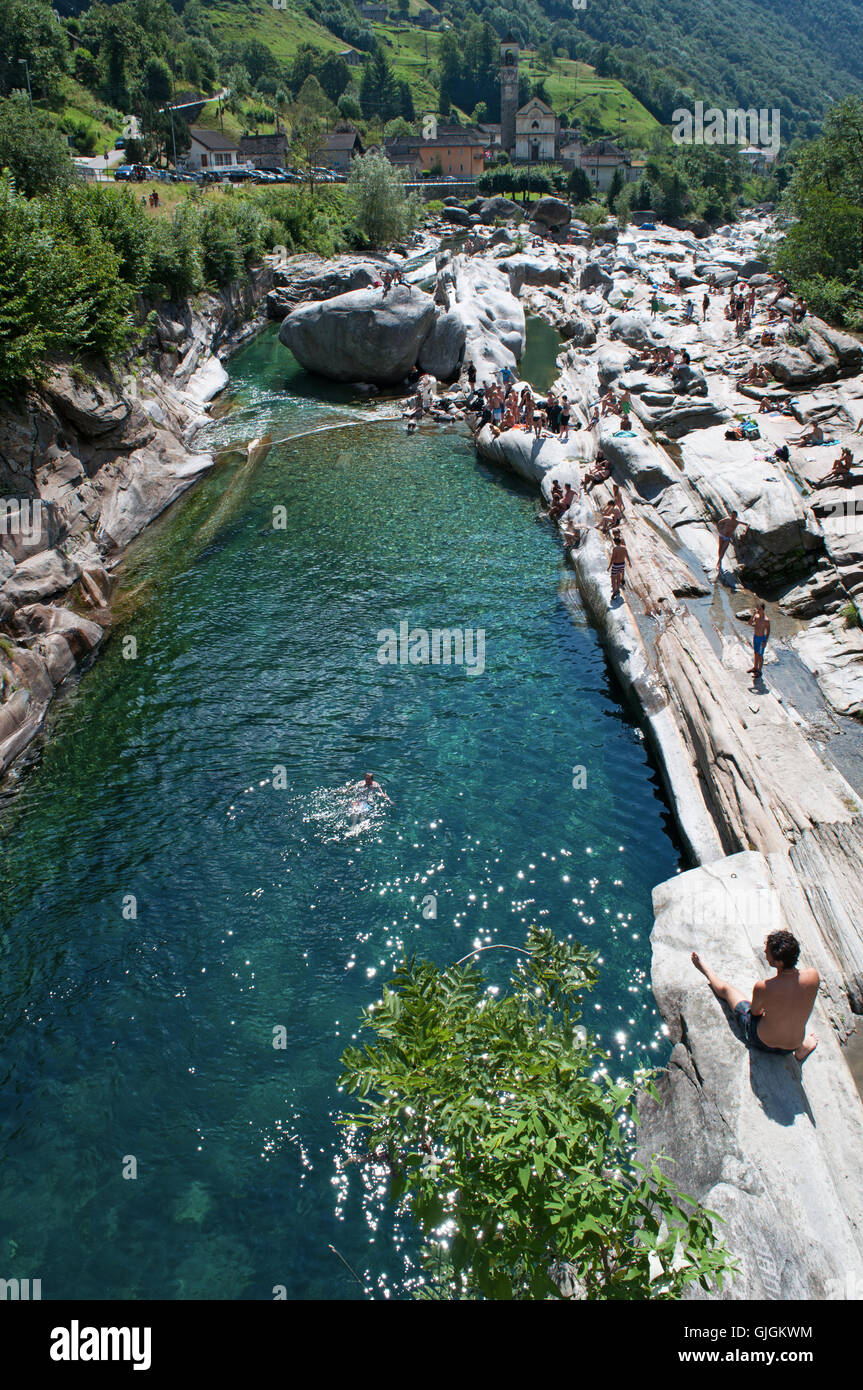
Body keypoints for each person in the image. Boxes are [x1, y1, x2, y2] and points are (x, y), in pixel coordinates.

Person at [691, 931, 818, 1062]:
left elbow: (755, 1013)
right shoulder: (813, 976)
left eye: (767, 950)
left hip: (762, 1042)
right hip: (791, 1046)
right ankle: (801, 1048)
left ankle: (706, 970)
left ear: (778, 962)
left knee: (728, 991)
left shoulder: (764, 987)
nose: (764, 951)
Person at [750, 601, 770, 676]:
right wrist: (753, 615)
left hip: (761, 638)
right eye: (757, 609)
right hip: (756, 637)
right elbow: (749, 623)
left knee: (760, 655)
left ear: (763, 609)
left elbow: (768, 632)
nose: (758, 610)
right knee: (755, 652)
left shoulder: (766, 620)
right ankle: (755, 667)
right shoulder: (756, 617)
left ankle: (759, 670)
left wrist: (765, 641)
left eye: (760, 609)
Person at [608, 529, 629, 599]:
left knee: (613, 578)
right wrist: (629, 562)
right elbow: (627, 555)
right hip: (622, 564)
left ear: (615, 542)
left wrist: (609, 566)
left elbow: (613, 558)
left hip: (616, 565)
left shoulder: (615, 549)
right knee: (618, 576)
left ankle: (614, 591)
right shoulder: (624, 548)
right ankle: (618, 588)